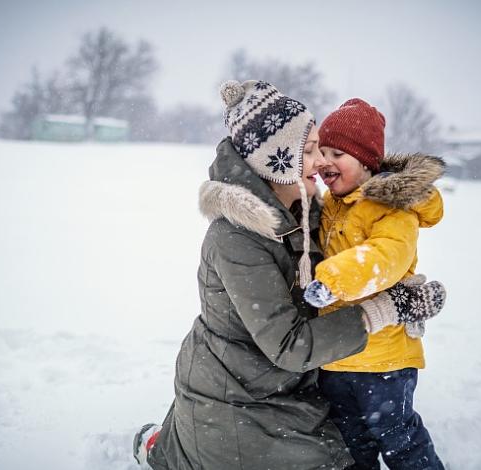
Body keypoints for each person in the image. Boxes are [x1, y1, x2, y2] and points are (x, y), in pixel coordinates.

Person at [133, 80, 446, 470]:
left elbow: (367, 252)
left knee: (350, 445)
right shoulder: (235, 238)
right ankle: (161, 448)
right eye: (312, 150)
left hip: (287, 385)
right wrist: (385, 309)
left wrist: (400, 287)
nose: (321, 163)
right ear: (276, 161)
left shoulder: (306, 212)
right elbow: (289, 344)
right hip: (240, 396)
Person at [303, 98, 446, 469]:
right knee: (351, 444)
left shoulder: (390, 208)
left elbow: (387, 256)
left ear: (366, 162)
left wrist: (333, 281)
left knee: (399, 439)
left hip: (384, 361)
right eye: (322, 152)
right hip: (338, 357)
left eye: (338, 153)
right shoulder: (333, 205)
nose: (325, 162)